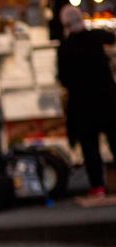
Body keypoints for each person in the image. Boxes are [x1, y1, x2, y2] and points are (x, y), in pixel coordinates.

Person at [57, 5, 116, 198]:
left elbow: (64, 79)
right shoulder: (95, 38)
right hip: (106, 100)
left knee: (90, 149)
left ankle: (98, 187)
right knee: (115, 141)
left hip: (82, 106)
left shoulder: (65, 48)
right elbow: (110, 37)